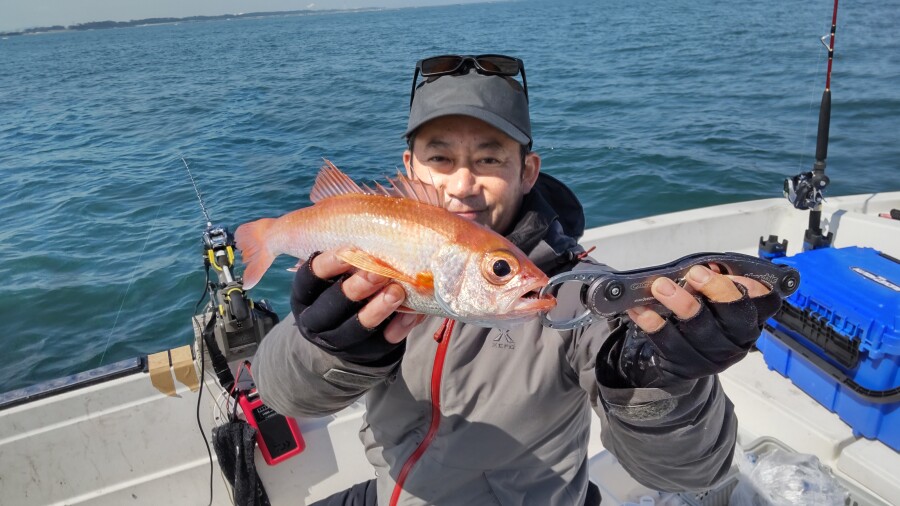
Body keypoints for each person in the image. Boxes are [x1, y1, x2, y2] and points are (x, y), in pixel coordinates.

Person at [252, 54, 783, 506]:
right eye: (440, 158)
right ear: (409, 169)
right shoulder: (365, 262)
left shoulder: (577, 296)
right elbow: (282, 395)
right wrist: (326, 346)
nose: (463, 185)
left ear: (527, 171)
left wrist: (668, 381)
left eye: (489, 158)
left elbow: (690, 476)